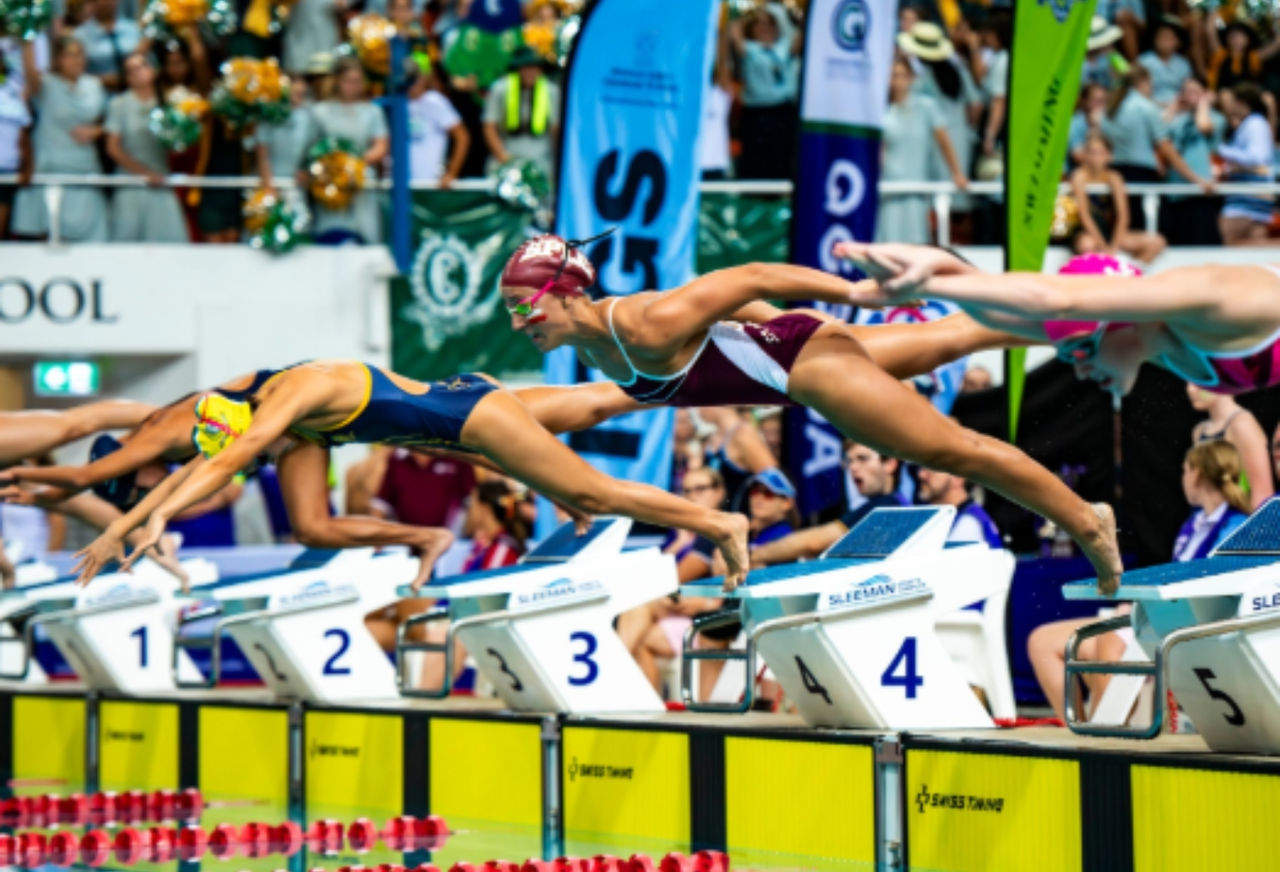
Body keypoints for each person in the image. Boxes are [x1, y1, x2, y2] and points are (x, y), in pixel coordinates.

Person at [498, 234, 1121, 591]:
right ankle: (1095, 308)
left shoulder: (643, 323)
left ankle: (1086, 520)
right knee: (959, 334)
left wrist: (853, 296)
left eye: (522, 305)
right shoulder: (601, 351)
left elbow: (751, 274)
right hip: (798, 355)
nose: (516, 322)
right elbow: (589, 407)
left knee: (947, 448)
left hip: (806, 371)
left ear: (566, 291)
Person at [72, 361, 751, 589]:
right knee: (584, 418)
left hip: (469, 412)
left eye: (253, 445)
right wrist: (119, 531)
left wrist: (156, 519)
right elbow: (197, 465)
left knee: (595, 478)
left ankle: (721, 517)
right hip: (462, 421)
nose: (254, 455)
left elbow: (218, 461)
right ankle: (700, 379)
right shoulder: (295, 431)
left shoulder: (297, 397)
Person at [837, 243, 1280, 406]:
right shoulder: (1148, 340)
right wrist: (941, 274)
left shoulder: (1213, 297)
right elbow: (1008, 316)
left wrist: (935, 277)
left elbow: (1057, 300)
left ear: (1120, 322)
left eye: (1081, 351)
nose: (1079, 370)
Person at [1027, 440, 1251, 720]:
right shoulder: (1191, 525)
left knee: (1105, 642)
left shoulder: (1236, 526)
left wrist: (1147, 607)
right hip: (1164, 613)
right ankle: (1078, 726)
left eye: (1184, 470)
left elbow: (1213, 586)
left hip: (1194, 620)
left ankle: (1106, 734)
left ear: (1197, 474)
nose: (1182, 478)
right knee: (1047, 642)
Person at [10, 38, 109, 242]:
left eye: (80, 54)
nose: (77, 60)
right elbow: (30, 72)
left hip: (85, 171)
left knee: (91, 241)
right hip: (51, 170)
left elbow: (110, 125)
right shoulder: (45, 84)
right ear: (58, 59)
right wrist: (27, 38)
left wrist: (97, 131)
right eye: (70, 54)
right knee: (49, 239)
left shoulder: (94, 85)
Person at [750, 441, 905, 567]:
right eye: (849, 461)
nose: (853, 467)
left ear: (890, 463)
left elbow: (813, 543)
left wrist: (751, 555)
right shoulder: (893, 503)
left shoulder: (886, 506)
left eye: (862, 458)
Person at [1099, 66, 1213, 231]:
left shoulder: (1110, 109)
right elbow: (1167, 150)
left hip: (1114, 174)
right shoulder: (1144, 107)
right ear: (1143, 82)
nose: (1151, 88)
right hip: (1142, 176)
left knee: (1122, 226)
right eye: (1151, 84)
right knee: (1151, 229)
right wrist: (1196, 179)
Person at [878, 56, 969, 245]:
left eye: (903, 75)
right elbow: (880, 152)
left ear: (912, 78)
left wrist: (957, 173)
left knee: (916, 244)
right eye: (894, 76)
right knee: (888, 244)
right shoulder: (883, 111)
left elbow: (944, 141)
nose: (898, 81)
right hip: (889, 190)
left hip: (917, 190)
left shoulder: (927, 106)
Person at [105, 54, 188, 242]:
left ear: (153, 69)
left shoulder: (170, 102)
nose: (137, 73)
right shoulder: (119, 104)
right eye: (130, 70)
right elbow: (113, 148)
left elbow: (179, 144)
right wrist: (145, 174)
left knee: (170, 243)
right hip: (130, 183)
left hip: (161, 181)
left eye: (141, 66)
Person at [307, 58, 388, 244]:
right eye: (348, 81)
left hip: (361, 181)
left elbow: (381, 145)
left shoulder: (373, 112)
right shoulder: (320, 111)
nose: (353, 86)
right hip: (330, 182)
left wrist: (355, 164)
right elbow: (311, 148)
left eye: (358, 81)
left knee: (365, 233)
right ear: (337, 81)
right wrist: (333, 167)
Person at [727, 3, 800, 180]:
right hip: (757, 117)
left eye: (769, 23)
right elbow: (731, 28)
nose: (764, 27)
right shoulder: (748, 49)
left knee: (781, 169)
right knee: (757, 170)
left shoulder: (785, 47)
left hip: (783, 115)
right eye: (759, 23)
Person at [1068, 131, 1165, 263]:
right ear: (1086, 154)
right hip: (1088, 231)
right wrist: (1104, 247)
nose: (1096, 157)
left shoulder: (1114, 177)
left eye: (1100, 153)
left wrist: (1113, 248)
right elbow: (1085, 215)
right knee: (1087, 244)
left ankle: (1129, 275)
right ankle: (1097, 276)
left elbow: (1123, 215)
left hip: (1111, 232)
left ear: (1109, 155)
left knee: (1157, 242)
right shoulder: (1079, 176)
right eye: (1092, 152)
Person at [1159, 75, 1225, 246]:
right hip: (1175, 191)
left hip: (1201, 190)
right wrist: (1173, 108)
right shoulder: (1177, 119)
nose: (1191, 96)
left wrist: (1203, 104)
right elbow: (1159, 134)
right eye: (1187, 92)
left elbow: (1204, 126)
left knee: (1202, 246)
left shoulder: (1216, 118)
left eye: (1196, 91)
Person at [1187, 383, 1273, 510]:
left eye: (1199, 382)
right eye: (1188, 381)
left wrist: (1255, 528)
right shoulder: (1199, 432)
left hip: (1237, 520)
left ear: (1221, 381)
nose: (1190, 389)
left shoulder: (1242, 425)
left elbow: (1262, 492)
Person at [482, 46, 560, 182]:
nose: (530, 72)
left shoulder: (551, 91)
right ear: (517, 69)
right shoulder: (500, 89)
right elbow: (489, 126)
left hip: (540, 160)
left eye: (535, 67)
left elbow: (556, 131)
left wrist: (557, 163)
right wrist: (503, 157)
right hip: (507, 157)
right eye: (526, 68)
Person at [1216, 82, 1275, 246]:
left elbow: (1258, 157)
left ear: (1241, 103)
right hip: (1253, 196)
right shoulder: (1250, 124)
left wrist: (1222, 150)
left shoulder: (1255, 123)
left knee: (1230, 241)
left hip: (1247, 198)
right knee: (1253, 245)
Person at [405, 55, 468, 186]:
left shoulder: (435, 101)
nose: (414, 81)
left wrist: (451, 173)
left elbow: (462, 137)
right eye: (410, 76)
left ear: (426, 77)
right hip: (401, 183)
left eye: (418, 75)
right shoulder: (397, 103)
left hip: (429, 183)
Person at [915, 466, 1001, 547]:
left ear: (957, 476)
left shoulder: (968, 524)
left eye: (931, 469)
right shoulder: (960, 517)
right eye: (922, 468)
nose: (921, 475)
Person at [74, 0, 140, 92]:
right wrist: (101, 80)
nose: (107, 3)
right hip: (98, 94)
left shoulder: (133, 29)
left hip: (136, 91)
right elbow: (75, 74)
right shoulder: (80, 35)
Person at [1138, 18, 1192, 108]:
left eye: (1169, 38)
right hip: (1152, 105)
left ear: (1177, 42)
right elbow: (1140, 92)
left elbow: (1188, 88)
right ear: (1154, 40)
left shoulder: (1183, 63)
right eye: (1161, 37)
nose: (1164, 42)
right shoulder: (1144, 61)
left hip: (1180, 106)